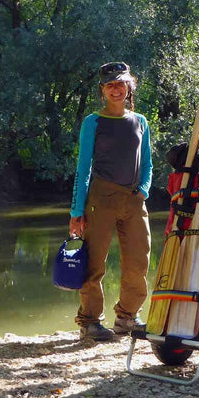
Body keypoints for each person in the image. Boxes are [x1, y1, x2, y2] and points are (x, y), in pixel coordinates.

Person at [69, 62, 153, 342]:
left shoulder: (140, 121)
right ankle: (90, 321)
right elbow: (83, 169)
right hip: (100, 198)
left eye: (121, 83)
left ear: (130, 86)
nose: (116, 89)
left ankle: (127, 317)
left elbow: (148, 164)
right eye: (110, 85)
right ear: (103, 90)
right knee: (94, 261)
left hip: (134, 199)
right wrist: (76, 211)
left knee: (138, 261)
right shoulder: (93, 122)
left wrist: (144, 190)